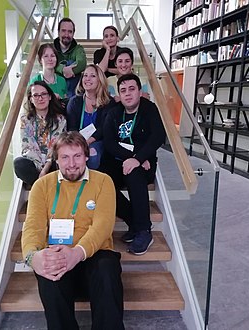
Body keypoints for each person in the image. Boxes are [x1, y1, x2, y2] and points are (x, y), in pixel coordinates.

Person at [22, 131, 124, 330]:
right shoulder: (42, 186)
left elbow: (102, 226)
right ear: (56, 160)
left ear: (86, 156)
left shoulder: (103, 181)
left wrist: (76, 253)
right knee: (48, 269)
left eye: (77, 156)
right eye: (65, 157)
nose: (72, 164)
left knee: (106, 267)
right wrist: (32, 257)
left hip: (93, 257)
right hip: (59, 255)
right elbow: (33, 227)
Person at [102, 74, 165, 255]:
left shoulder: (149, 109)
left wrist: (138, 159)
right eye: (123, 90)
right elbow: (109, 142)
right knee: (102, 181)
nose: (127, 94)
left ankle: (144, 231)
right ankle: (134, 222)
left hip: (142, 164)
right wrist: (134, 156)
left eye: (132, 89)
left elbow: (158, 136)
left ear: (139, 91)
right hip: (120, 160)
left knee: (134, 173)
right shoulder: (114, 112)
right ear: (119, 95)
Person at [13, 81, 67, 186]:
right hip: (35, 162)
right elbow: (28, 145)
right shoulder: (25, 120)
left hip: (52, 162)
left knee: (62, 163)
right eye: (36, 95)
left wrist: (45, 169)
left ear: (50, 97)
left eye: (43, 94)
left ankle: (40, 186)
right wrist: (40, 168)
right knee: (19, 164)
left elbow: (56, 146)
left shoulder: (60, 119)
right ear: (31, 99)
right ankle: (43, 186)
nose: (40, 98)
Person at [66, 64, 116, 169]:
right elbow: (72, 128)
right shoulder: (74, 101)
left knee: (92, 155)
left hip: (99, 140)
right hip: (77, 140)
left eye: (92, 76)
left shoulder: (109, 102)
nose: (87, 79)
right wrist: (80, 142)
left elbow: (104, 128)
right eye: (85, 75)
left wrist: (88, 141)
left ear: (100, 80)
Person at [54, 18, 87, 98]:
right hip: (55, 88)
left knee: (71, 64)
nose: (66, 35)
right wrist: (62, 69)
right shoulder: (51, 48)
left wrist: (68, 70)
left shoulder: (78, 49)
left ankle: (70, 100)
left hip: (73, 89)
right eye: (63, 31)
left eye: (70, 31)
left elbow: (82, 64)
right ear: (58, 32)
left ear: (73, 33)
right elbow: (45, 63)